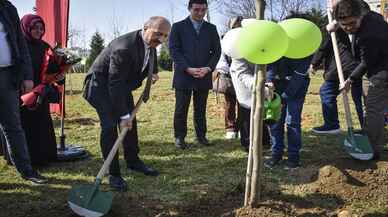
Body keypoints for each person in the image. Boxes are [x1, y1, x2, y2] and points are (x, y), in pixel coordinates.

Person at [83, 16, 171, 191]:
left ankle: (133, 161)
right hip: (100, 86)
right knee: (110, 126)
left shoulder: (151, 44)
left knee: (130, 123)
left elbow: (147, 61)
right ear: (146, 27)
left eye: (165, 36)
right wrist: (123, 115)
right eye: (158, 34)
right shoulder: (124, 47)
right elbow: (114, 83)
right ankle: (113, 173)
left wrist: (152, 73)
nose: (161, 39)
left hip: (120, 86)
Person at [332, 0, 388, 160]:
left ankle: (372, 149)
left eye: (351, 23)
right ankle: (370, 135)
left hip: (382, 70)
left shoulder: (370, 34)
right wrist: (336, 25)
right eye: (344, 25)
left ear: (360, 16)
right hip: (376, 65)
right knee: (371, 106)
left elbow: (366, 62)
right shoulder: (371, 16)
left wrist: (350, 79)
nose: (348, 28)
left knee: (373, 110)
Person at [0, 0, 47, 184]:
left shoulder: (8, 8)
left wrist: (27, 76)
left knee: (13, 126)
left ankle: (27, 171)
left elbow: (20, 43)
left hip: (8, 75)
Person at [169, 0, 221, 149]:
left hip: (204, 75)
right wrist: (186, 68)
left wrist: (208, 68)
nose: (200, 13)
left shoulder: (212, 28)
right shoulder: (178, 27)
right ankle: (179, 137)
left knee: (201, 108)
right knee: (181, 109)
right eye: (196, 10)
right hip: (184, 75)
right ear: (189, 8)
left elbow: (217, 51)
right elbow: (174, 50)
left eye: (203, 10)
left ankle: (201, 136)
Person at [19, 14, 58, 166]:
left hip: (41, 91)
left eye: (41, 28)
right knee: (25, 125)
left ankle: (45, 156)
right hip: (23, 91)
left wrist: (59, 75)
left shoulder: (45, 46)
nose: (38, 31)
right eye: (35, 28)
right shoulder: (19, 46)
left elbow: (53, 68)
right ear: (26, 28)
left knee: (42, 122)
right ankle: (25, 159)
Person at [310, 28, 364, 134]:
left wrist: (314, 63)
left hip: (342, 67)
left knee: (327, 92)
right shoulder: (357, 26)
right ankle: (367, 127)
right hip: (358, 67)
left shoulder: (335, 30)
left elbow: (324, 47)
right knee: (359, 99)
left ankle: (332, 125)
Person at [264, 56, 312, 170]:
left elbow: (300, 74)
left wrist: (284, 98)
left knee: (292, 122)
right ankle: (276, 154)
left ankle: (293, 158)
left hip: (298, 85)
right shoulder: (278, 41)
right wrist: (269, 80)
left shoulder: (305, 47)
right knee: (275, 121)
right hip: (277, 84)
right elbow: (272, 60)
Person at [229, 56, 272, 152]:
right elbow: (242, 72)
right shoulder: (238, 51)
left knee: (262, 110)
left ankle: (265, 141)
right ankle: (248, 142)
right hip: (244, 80)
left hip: (264, 80)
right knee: (246, 108)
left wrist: (267, 81)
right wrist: (258, 86)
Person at [215, 16, 243, 140]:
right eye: (235, 24)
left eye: (239, 24)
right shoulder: (225, 39)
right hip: (229, 75)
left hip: (243, 74)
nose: (237, 26)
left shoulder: (247, 37)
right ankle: (230, 128)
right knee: (229, 103)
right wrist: (225, 70)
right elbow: (221, 57)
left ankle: (242, 127)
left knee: (243, 103)